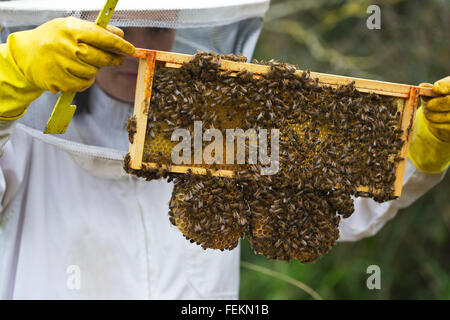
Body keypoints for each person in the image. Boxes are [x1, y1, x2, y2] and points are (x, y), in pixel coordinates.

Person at [0, 2, 448, 299]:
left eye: (157, 29)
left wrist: (421, 150)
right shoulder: (23, 135)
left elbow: (334, 207)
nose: (135, 50)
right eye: (119, 29)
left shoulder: (230, 127)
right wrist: (9, 79)